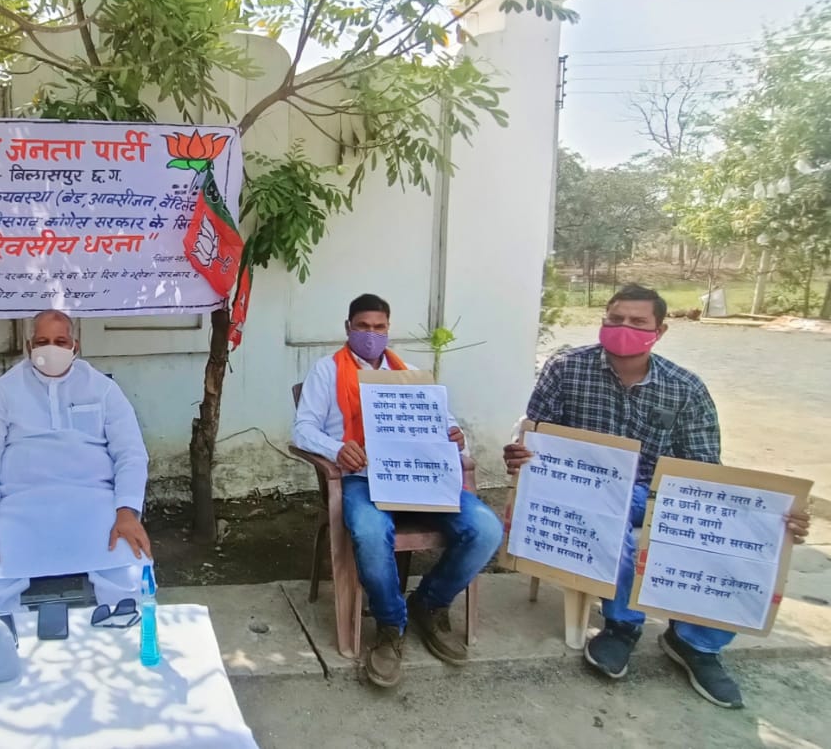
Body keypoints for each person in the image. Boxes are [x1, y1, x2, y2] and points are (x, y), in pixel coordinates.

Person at [504, 283, 810, 709]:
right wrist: (520, 454)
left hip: (661, 496)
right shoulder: (566, 370)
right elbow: (537, 438)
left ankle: (697, 643)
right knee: (626, 540)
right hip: (588, 492)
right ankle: (622, 626)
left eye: (636, 322)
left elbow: (705, 470)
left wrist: (773, 518)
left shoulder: (685, 388)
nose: (622, 328)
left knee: (738, 541)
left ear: (659, 331)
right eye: (614, 319)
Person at [292, 293, 504, 687]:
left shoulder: (411, 374)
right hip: (362, 480)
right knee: (371, 534)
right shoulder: (327, 371)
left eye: (379, 328)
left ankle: (429, 603)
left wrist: (457, 440)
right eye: (363, 327)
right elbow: (302, 428)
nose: (371, 335)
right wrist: (337, 448)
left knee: (487, 529)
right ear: (348, 328)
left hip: (420, 477)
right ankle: (391, 625)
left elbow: (447, 425)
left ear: (389, 330)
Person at [0, 309, 152, 616]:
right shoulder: (4, 390)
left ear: (76, 345)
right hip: (20, 509)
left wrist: (127, 511)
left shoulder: (102, 388)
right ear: (28, 347)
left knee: (136, 586)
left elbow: (130, 453)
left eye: (60, 341)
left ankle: (113, 653)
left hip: (95, 507)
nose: (51, 348)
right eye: (42, 341)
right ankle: (8, 657)